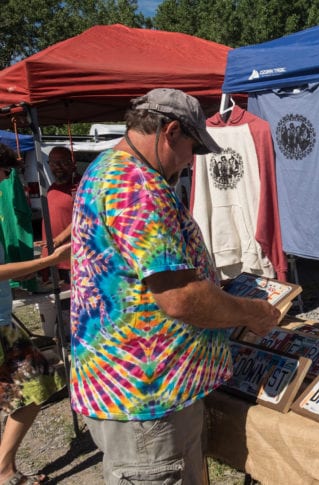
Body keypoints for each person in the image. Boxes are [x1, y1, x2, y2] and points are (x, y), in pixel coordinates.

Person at [69, 89, 281, 484]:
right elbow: (180, 298)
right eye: (192, 149)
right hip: (147, 402)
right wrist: (251, 312)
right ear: (170, 132)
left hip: (143, 393)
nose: (191, 160)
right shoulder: (137, 186)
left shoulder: (110, 168)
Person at [0, 144, 70, 485]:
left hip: (3, 322)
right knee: (36, 383)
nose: (4, 181)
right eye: (2, 173)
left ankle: (4, 469)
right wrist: (48, 260)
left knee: (35, 386)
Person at [39, 147, 78, 284]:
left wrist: (59, 239)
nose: (58, 167)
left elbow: (84, 217)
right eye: (53, 163)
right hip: (53, 259)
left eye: (63, 162)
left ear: (72, 163)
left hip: (72, 258)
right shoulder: (52, 188)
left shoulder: (81, 186)